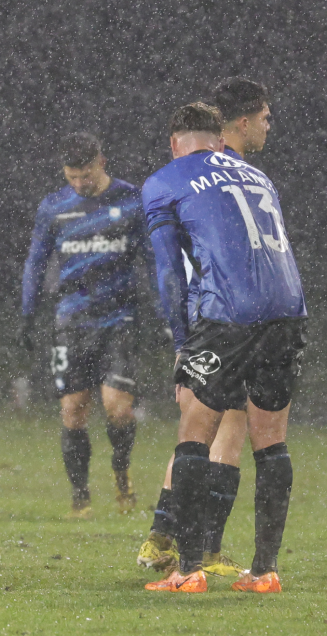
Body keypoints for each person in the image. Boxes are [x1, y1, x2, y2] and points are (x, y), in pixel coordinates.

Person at [142, 103, 303, 594]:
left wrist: (181, 339)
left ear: (175, 143)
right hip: (287, 311)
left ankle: (188, 570)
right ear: (219, 140)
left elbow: (169, 272)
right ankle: (264, 571)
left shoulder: (164, 181)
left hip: (226, 313)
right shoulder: (258, 177)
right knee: (270, 441)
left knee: (196, 433)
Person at [17, 132, 163, 518]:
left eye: (86, 175)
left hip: (119, 319)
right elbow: (35, 262)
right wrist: (27, 315)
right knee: (73, 411)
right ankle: (80, 498)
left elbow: (153, 260)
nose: (80, 183)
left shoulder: (132, 200)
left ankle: (121, 472)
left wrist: (165, 313)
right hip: (71, 320)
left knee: (118, 408)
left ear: (101, 162)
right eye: (72, 176)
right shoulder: (54, 207)